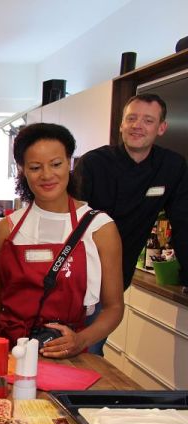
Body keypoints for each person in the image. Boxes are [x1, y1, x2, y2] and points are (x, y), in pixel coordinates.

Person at [0, 123, 124, 358]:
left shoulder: (100, 228)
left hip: (68, 352)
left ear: (70, 163)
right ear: (22, 170)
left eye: (56, 164)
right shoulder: (7, 229)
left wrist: (81, 340)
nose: (47, 175)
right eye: (35, 167)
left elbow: (114, 307)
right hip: (9, 352)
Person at [76, 93, 188, 354]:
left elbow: (184, 221)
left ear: (161, 128)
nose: (138, 125)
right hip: (78, 275)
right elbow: (72, 222)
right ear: (121, 125)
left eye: (148, 120)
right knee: (76, 350)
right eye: (132, 118)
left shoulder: (172, 166)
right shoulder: (93, 163)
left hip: (117, 278)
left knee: (89, 350)